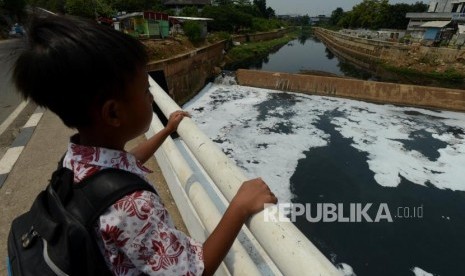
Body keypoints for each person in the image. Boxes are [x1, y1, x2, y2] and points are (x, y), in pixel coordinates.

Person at [13, 15, 277, 276]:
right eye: (146, 90)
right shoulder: (135, 207)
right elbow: (194, 271)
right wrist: (239, 207)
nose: (152, 97)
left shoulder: (76, 159)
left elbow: (123, 167)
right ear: (113, 114)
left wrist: (167, 130)